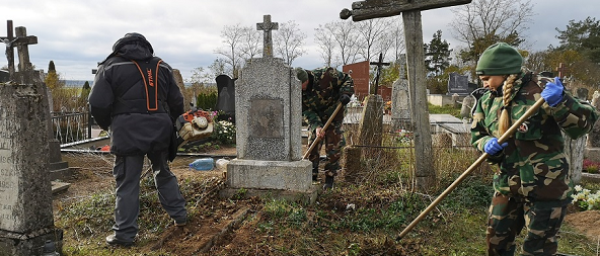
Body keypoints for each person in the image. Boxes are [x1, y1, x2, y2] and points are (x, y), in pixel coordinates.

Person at [471, 42, 598, 255]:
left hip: (545, 186)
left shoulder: (541, 89)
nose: (484, 85)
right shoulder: (486, 101)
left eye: (486, 79)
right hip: (507, 185)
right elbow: (478, 134)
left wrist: (562, 101)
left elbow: (583, 125)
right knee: (496, 243)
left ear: (503, 73)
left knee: (538, 249)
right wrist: (485, 144)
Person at [88, 32, 188, 247]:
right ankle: (180, 216)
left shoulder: (111, 66)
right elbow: (177, 102)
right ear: (146, 47)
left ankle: (124, 236)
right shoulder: (162, 66)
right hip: (160, 129)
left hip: (127, 132)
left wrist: (110, 125)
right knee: (163, 171)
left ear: (120, 47)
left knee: (127, 182)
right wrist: (169, 123)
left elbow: (97, 103)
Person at [296, 67, 354, 189]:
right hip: (316, 116)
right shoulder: (297, 91)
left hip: (334, 112)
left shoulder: (326, 75)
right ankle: (312, 173)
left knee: (333, 144)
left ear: (307, 79)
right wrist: (317, 126)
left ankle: (330, 177)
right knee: (313, 141)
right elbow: (306, 111)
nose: (302, 89)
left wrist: (346, 93)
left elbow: (346, 79)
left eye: (303, 85)